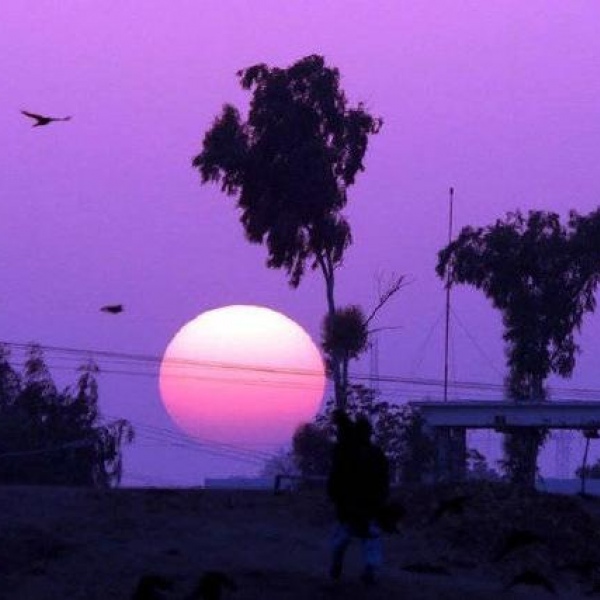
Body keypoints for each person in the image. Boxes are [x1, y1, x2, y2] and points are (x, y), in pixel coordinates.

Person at [327, 412, 390, 585]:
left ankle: (337, 565)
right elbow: (384, 482)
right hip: (368, 504)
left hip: (351, 503)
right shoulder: (376, 454)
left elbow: (336, 478)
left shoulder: (345, 452)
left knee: (342, 537)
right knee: (370, 538)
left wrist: (336, 497)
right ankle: (369, 567)